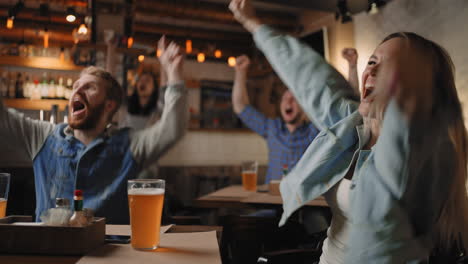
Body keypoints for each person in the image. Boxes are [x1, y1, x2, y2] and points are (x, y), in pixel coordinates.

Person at [229, 0, 468, 263]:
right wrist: (254, 24)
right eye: (372, 61)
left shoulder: (428, 150)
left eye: (391, 67)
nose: (373, 70)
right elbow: (311, 78)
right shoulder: (353, 125)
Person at [0, 37, 188, 224]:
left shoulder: (129, 145)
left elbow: (172, 129)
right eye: (75, 87)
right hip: (50, 249)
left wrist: (174, 74)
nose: (77, 91)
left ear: (109, 105)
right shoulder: (43, 136)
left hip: (110, 251)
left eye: (89, 87)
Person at [232, 54, 319, 184]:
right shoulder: (272, 127)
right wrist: (241, 72)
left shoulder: (315, 132)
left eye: (294, 99)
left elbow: (345, 117)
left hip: (303, 200)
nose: (288, 102)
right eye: (285, 98)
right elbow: (240, 106)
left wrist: (352, 67)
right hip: (272, 199)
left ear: (303, 106)